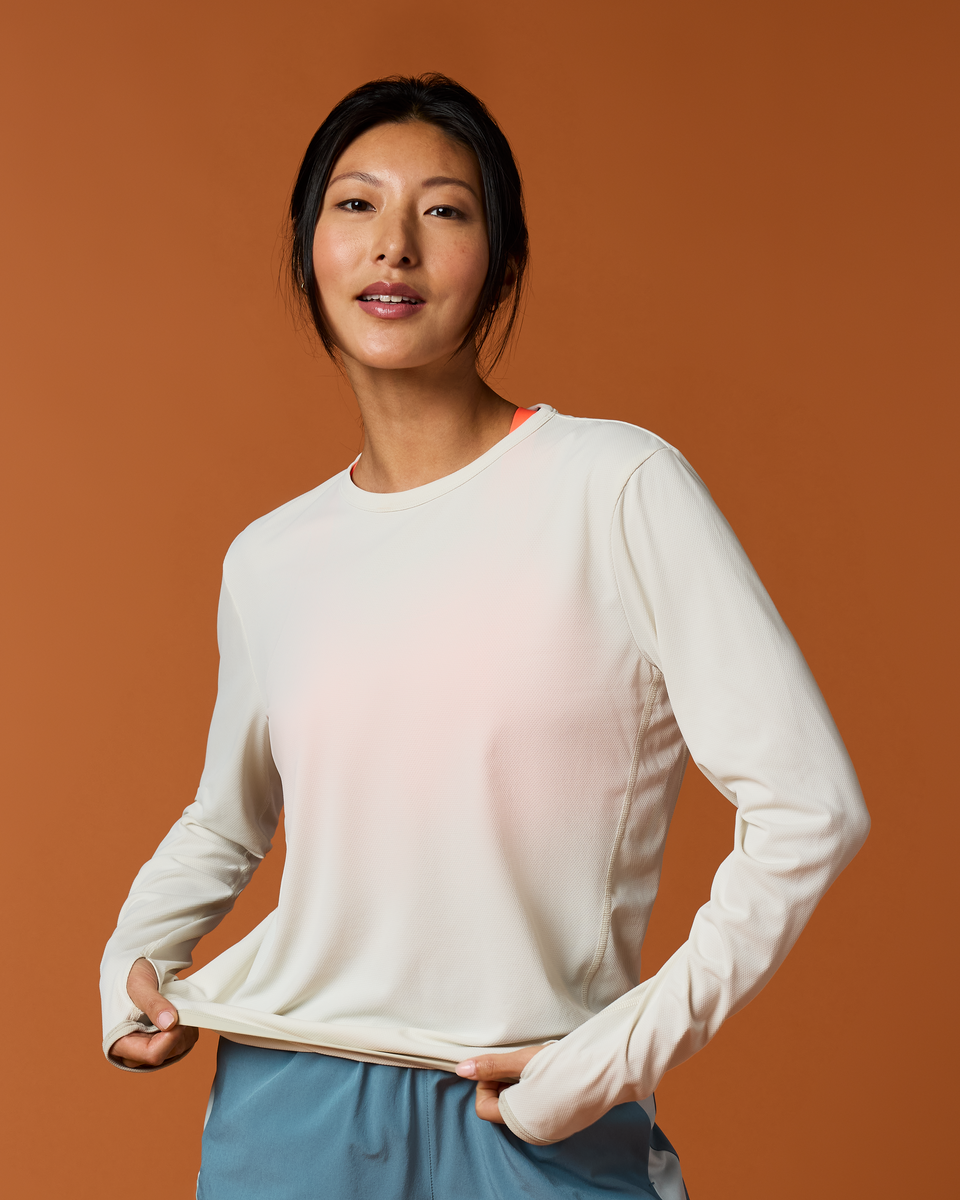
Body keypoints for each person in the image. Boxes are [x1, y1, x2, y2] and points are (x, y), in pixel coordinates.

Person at [100, 74, 870, 1200]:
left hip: (524, 1111)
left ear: (502, 265)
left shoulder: (615, 486)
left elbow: (813, 809)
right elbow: (226, 818)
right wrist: (130, 964)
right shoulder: (270, 557)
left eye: (445, 210)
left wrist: (608, 1059)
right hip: (287, 1109)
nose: (394, 245)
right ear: (309, 252)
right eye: (356, 204)